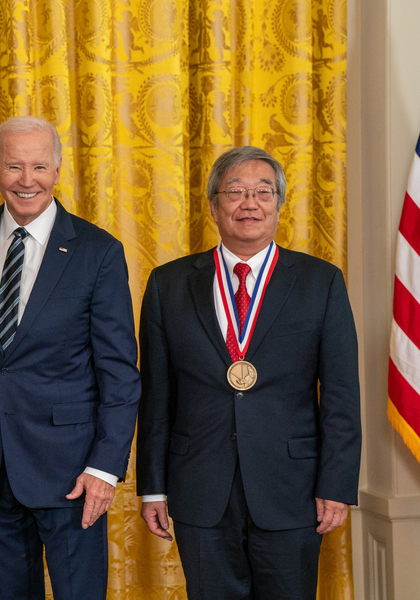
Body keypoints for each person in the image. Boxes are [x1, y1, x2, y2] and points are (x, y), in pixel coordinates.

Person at [137, 146, 361, 599]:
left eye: (263, 192)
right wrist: (152, 488)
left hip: (292, 489)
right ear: (214, 205)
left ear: (279, 204)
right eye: (235, 192)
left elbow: (341, 394)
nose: (249, 203)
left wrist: (336, 485)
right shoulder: (168, 283)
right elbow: (157, 396)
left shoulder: (321, 281)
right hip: (200, 486)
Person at [0, 116, 141, 599]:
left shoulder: (98, 251)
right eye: (14, 166)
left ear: (57, 170)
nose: (26, 180)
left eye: (38, 166)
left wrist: (104, 468)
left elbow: (119, 372)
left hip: (72, 473)